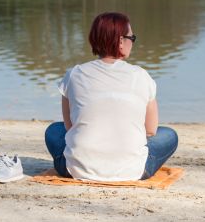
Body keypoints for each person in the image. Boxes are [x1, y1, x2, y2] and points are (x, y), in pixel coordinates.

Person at [44, 12, 178, 181]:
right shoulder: (141, 76)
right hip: (132, 171)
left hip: (77, 169)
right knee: (169, 135)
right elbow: (151, 130)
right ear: (121, 41)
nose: (132, 43)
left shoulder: (74, 74)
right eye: (132, 38)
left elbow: (70, 126)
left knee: (54, 130)